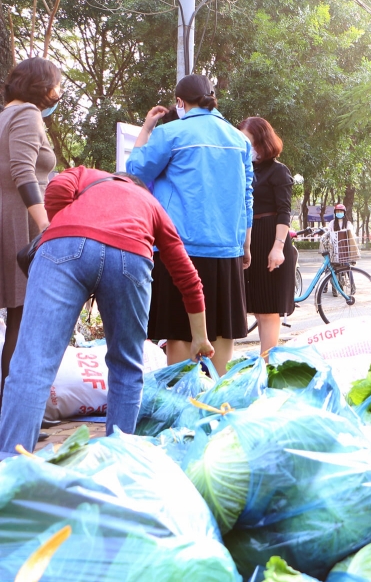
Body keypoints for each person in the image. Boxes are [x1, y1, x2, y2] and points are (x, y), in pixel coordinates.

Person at [0, 167, 214, 458]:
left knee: (32, 364)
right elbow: (187, 276)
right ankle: (117, 463)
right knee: (126, 368)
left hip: (63, 246)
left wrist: (67, 221)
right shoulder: (151, 204)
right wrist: (200, 337)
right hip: (130, 255)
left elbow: (56, 190)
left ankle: (9, 466)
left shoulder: (85, 174)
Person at [127, 74, 253, 374]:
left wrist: (147, 128)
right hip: (227, 249)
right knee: (222, 329)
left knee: (179, 330)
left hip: (178, 249)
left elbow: (135, 173)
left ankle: (183, 404)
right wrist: (245, 243)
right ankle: (218, 404)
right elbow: (248, 194)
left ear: (179, 102)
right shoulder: (238, 139)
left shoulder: (171, 133)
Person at [0, 58, 60, 415]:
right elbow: (23, 172)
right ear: (42, 87)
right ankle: (15, 414)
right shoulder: (27, 115)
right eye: (57, 85)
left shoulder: (4, 115)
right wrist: (47, 227)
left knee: (18, 318)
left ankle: (12, 408)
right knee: (23, 320)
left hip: (9, 216)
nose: (59, 93)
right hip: (18, 222)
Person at [238, 117, 296, 354]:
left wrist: (278, 247)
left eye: (247, 140)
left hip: (271, 238)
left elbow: (284, 211)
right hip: (248, 238)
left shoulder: (278, 171)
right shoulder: (243, 168)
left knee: (269, 308)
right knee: (255, 305)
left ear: (261, 141)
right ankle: (262, 364)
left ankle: (267, 363)